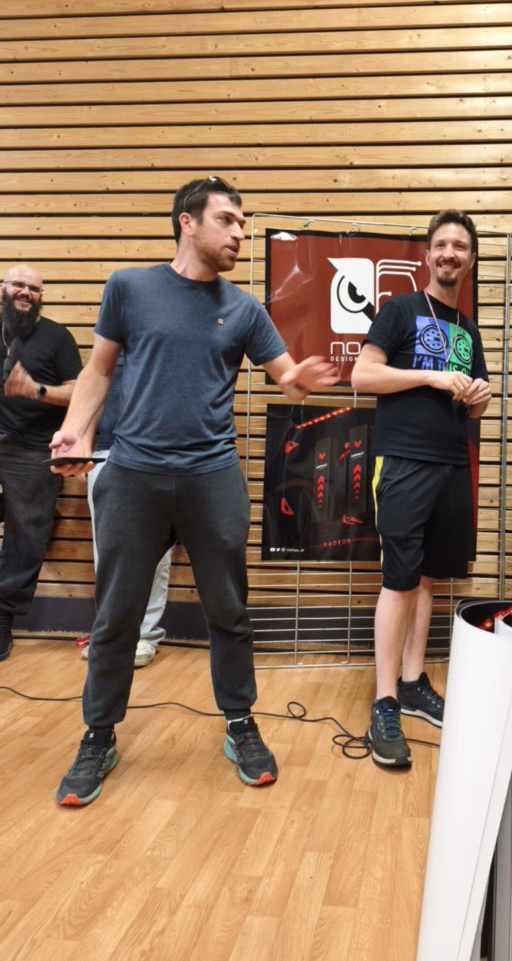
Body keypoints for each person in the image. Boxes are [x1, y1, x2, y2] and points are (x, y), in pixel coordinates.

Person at [50, 175, 338, 806]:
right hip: (132, 474)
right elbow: (99, 368)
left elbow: (286, 377)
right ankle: (98, 734)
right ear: (188, 221)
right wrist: (75, 432)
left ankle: (240, 722)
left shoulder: (245, 309)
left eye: (243, 223)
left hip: (212, 476)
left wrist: (302, 378)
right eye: (228, 220)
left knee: (228, 611)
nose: (240, 233)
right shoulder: (129, 286)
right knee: (116, 615)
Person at [351, 209, 492, 767]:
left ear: (470, 259)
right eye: (441, 244)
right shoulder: (401, 309)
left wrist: (479, 396)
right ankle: (385, 700)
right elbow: (363, 375)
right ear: (428, 255)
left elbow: (476, 404)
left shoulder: (469, 329)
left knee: (429, 576)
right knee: (399, 579)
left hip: (453, 462)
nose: (450, 253)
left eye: (460, 246)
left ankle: (413, 683)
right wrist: (431, 375)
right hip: (404, 460)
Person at [0, 265, 82, 661]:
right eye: (18, 284)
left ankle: (2, 617)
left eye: (34, 288)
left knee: (26, 536)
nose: (26, 292)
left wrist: (37, 390)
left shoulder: (57, 337)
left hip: (33, 449)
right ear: (3, 287)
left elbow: (79, 392)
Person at [82, 355, 170, 668]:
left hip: (161, 456)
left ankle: (145, 635)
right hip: (108, 453)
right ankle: (110, 635)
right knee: (106, 554)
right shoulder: (110, 346)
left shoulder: (174, 347)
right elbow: (93, 395)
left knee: (157, 556)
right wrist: (84, 445)